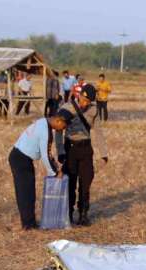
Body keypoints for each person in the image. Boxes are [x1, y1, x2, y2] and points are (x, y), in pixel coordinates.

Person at [9, 110, 72, 229]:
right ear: (58, 120)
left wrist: (55, 167)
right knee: (25, 192)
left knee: (28, 191)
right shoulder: (45, 130)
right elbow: (45, 155)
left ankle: (29, 221)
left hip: (22, 158)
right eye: (64, 126)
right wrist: (54, 173)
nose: (63, 129)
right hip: (20, 158)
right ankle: (28, 225)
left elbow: (47, 153)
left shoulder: (44, 123)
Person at [55, 84, 109, 226]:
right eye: (83, 100)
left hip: (85, 149)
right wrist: (60, 151)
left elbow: (98, 131)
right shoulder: (66, 108)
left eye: (88, 102)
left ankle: (83, 213)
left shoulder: (94, 110)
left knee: (85, 183)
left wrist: (103, 153)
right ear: (79, 95)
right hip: (70, 148)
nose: (85, 104)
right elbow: (58, 132)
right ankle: (69, 213)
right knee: (71, 182)